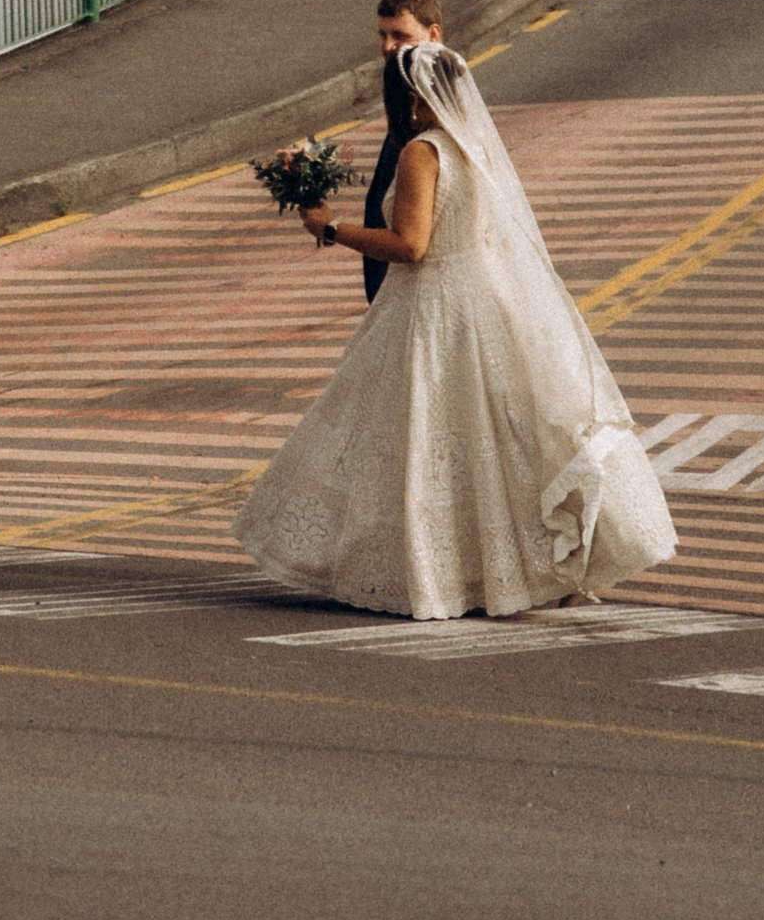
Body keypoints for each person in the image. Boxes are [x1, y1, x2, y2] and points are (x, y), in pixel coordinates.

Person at [236, 34, 678, 619]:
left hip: (435, 309)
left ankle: (440, 575)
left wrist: (330, 227)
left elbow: (411, 245)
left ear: (412, 100)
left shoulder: (422, 151)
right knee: (495, 440)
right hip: (486, 302)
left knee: (420, 440)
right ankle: (534, 565)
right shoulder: (474, 146)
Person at [358, 0, 441, 305]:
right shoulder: (408, 113)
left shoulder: (423, 134)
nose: (388, 46)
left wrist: (331, 228)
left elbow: (408, 242)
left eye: (401, 36)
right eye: (382, 35)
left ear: (433, 35)